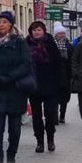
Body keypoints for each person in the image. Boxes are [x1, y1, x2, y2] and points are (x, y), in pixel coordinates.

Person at [0, 11, 32, 163]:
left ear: (11, 24)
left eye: (4, 22)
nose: (1, 24)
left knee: (15, 126)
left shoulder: (19, 43)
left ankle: (11, 154)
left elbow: (26, 64)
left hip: (15, 88)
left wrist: (11, 77)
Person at [26, 21, 63, 153]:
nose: (36, 32)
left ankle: (50, 139)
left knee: (50, 114)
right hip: (34, 85)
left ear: (44, 31)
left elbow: (59, 65)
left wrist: (61, 84)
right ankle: (40, 141)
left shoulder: (51, 44)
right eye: (34, 30)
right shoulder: (26, 45)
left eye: (39, 30)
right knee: (36, 115)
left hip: (50, 85)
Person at [53, 22, 74, 124]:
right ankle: (55, 116)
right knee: (55, 97)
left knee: (65, 98)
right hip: (54, 75)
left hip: (67, 75)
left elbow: (73, 59)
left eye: (63, 33)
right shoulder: (52, 45)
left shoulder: (69, 46)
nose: (62, 35)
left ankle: (62, 115)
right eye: (60, 33)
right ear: (56, 34)